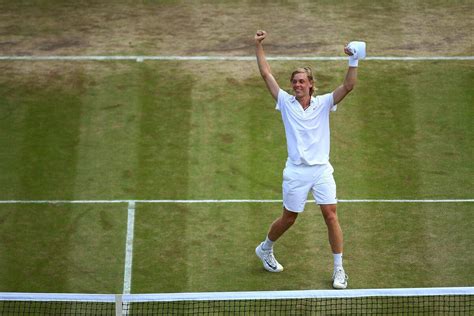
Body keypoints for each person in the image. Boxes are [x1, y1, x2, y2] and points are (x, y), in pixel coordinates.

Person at [253, 30, 365, 289]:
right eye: (294, 81)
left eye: (302, 81)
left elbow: (348, 86)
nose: (297, 85)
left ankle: (339, 269)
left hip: (321, 170)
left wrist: (354, 60)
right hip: (296, 172)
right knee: (289, 218)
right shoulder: (285, 102)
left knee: (331, 215)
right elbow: (266, 74)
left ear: (311, 84)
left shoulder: (324, 103)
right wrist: (258, 45)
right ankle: (265, 248)